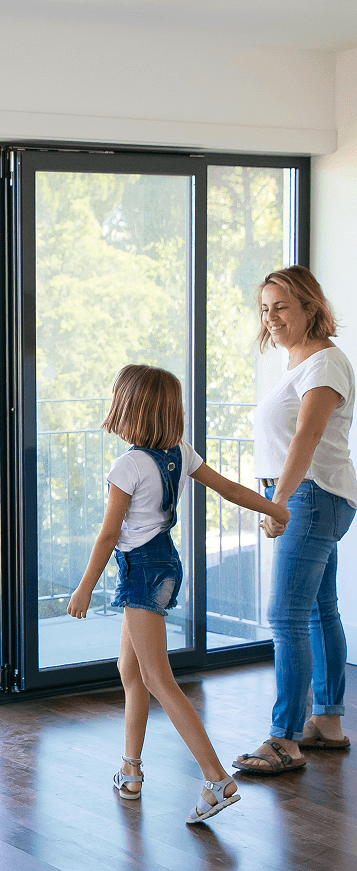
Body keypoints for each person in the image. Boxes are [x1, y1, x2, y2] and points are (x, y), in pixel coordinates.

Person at [67, 364, 289, 824]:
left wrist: (84, 587)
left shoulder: (126, 465)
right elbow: (228, 489)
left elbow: (109, 536)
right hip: (166, 564)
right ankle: (131, 770)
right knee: (130, 670)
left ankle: (216, 779)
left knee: (158, 679)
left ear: (128, 407)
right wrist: (273, 508)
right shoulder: (179, 453)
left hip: (140, 573)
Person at [233, 266, 357, 775]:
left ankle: (284, 738)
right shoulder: (303, 362)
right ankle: (327, 722)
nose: (272, 316)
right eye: (265, 308)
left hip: (309, 497)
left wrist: (277, 502)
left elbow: (305, 438)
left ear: (310, 307)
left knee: (286, 615)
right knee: (318, 611)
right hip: (315, 497)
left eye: (281, 306)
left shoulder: (324, 364)